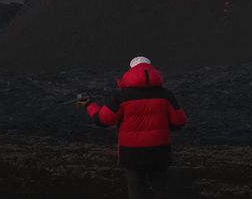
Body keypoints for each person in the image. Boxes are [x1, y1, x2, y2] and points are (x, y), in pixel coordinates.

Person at [78, 56, 187, 199]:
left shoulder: (122, 97)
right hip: (160, 152)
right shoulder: (166, 95)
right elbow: (179, 122)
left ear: (130, 71)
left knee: (136, 190)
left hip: (131, 154)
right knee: (160, 189)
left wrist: (88, 105)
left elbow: (102, 120)